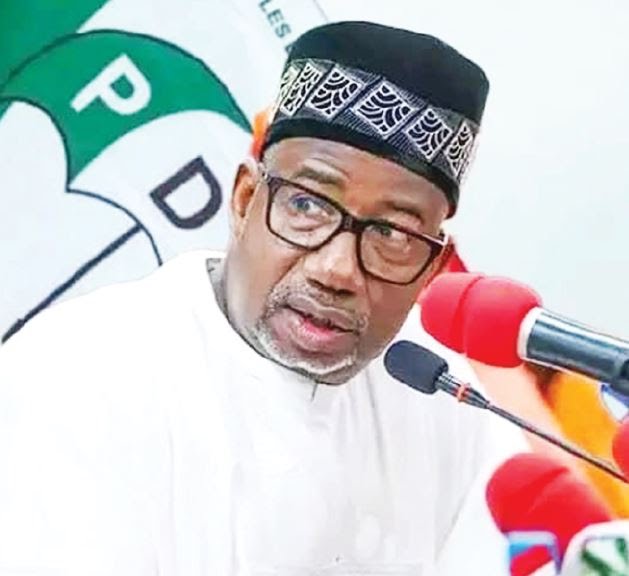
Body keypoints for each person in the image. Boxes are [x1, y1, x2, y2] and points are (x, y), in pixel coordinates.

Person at [0, 21, 524, 576]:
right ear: (245, 199)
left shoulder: (436, 388)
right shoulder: (74, 375)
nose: (336, 269)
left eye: (391, 234)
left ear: (432, 269)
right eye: (307, 206)